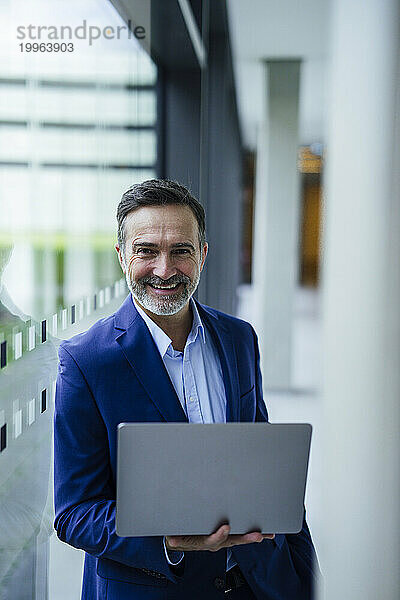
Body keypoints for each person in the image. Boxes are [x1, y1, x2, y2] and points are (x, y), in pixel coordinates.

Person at [54, 179, 320, 599]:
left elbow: (261, 455)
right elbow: (74, 513)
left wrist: (300, 567)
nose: (164, 269)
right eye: (146, 251)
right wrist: (169, 542)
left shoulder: (239, 338)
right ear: (122, 255)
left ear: (203, 255)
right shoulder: (87, 361)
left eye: (181, 250)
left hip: (259, 582)